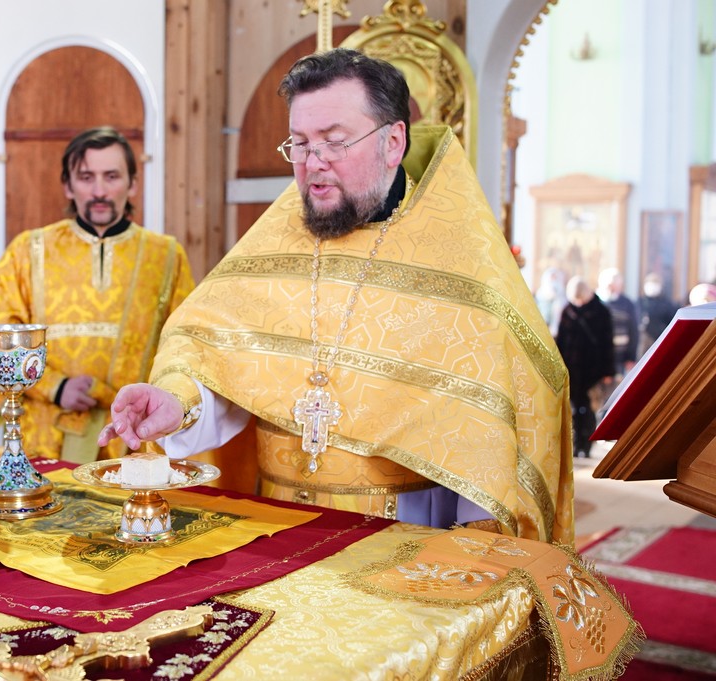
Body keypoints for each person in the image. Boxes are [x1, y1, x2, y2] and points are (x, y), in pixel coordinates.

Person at [99, 49, 574, 544]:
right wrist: (177, 401)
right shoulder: (272, 243)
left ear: (393, 142)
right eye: (301, 144)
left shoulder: (459, 261)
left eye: (334, 142)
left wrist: (475, 546)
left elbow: (491, 428)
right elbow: (219, 357)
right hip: (274, 529)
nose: (313, 163)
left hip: (404, 536)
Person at [0, 126, 195, 462]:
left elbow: (186, 345)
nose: (99, 191)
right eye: (86, 177)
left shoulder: (166, 256)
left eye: (111, 176)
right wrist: (55, 387)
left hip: (136, 437)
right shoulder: (28, 251)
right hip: (44, 436)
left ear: (132, 184)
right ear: (68, 186)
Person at [555, 277, 615, 459]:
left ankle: (586, 445)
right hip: (571, 368)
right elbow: (560, 341)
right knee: (572, 408)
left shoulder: (601, 311)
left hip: (592, 368)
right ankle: (575, 445)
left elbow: (607, 343)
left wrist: (608, 371)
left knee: (588, 408)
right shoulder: (567, 311)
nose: (579, 302)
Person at [596, 268, 639, 375]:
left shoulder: (627, 304)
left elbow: (633, 331)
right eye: (609, 285)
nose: (611, 288)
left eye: (615, 285)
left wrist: (631, 357)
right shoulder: (595, 302)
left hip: (619, 357)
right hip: (597, 357)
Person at [638, 272, 677, 355]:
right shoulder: (640, 302)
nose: (652, 287)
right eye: (650, 283)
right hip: (643, 343)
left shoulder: (667, 304)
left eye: (655, 283)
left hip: (660, 340)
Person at [535, 266, 568, 337]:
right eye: (552, 278)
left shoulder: (562, 295)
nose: (553, 281)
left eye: (555, 278)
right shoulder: (540, 294)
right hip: (544, 325)